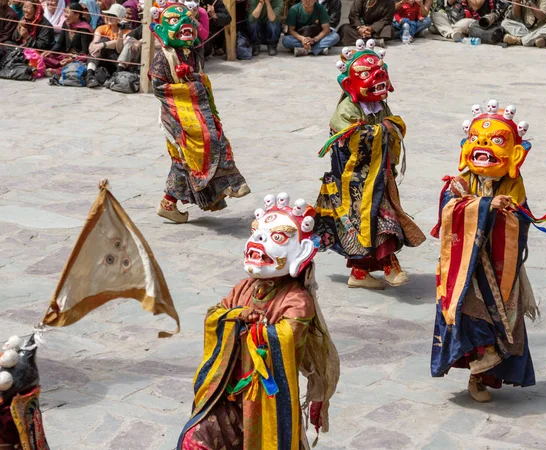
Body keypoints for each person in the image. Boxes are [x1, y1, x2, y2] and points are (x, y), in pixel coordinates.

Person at [430, 100, 546, 402]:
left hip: (500, 266)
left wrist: (504, 210)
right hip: (465, 270)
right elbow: (449, 211)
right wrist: (483, 205)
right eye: (476, 140)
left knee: (504, 318)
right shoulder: (462, 181)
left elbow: (519, 221)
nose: (483, 146)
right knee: (468, 313)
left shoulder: (513, 184)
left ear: (515, 154)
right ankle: (477, 368)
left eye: (496, 141)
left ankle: (484, 376)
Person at [177, 193, 339, 450]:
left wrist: (253, 328)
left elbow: (285, 337)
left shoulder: (297, 301)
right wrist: (234, 317)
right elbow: (215, 316)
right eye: (256, 233)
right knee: (195, 440)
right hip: (228, 392)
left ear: (302, 252)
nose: (257, 240)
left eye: (277, 237)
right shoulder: (243, 288)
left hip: (267, 401)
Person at [314, 40, 426, 290]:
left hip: (379, 174)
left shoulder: (380, 104)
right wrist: (381, 131)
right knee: (377, 220)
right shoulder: (347, 108)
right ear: (349, 83)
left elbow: (390, 126)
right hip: (355, 180)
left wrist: (389, 129)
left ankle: (360, 272)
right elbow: (351, 137)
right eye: (366, 74)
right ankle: (390, 266)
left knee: (371, 223)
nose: (377, 78)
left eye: (379, 73)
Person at [149, 3, 250, 222]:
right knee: (209, 141)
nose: (185, 25)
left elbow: (198, 76)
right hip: (176, 114)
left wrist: (199, 80)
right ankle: (230, 183)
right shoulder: (163, 58)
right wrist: (192, 87)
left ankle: (168, 203)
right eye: (175, 21)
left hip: (196, 110)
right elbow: (158, 87)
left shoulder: (190, 53)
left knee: (185, 159)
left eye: (188, 20)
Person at [42, 2, 93, 76]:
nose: (65, 15)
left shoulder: (84, 28)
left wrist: (71, 59)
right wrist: (50, 51)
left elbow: (84, 52)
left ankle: (58, 71)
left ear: (77, 15)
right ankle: (60, 68)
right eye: (65, 12)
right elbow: (59, 43)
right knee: (44, 57)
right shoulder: (66, 24)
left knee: (79, 63)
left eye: (67, 12)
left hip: (78, 58)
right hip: (66, 56)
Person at [85, 2, 128, 87]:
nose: (109, 17)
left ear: (119, 18)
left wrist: (103, 44)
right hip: (100, 58)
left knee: (104, 40)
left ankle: (94, 75)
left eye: (113, 15)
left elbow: (119, 48)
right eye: (108, 14)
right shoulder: (102, 28)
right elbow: (94, 42)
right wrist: (95, 46)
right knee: (99, 43)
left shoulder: (127, 32)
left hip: (116, 62)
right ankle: (89, 76)